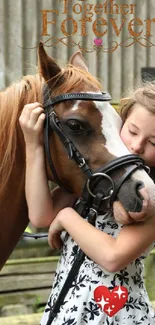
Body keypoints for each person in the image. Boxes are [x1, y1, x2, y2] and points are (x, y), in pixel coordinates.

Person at [19, 82, 155, 325]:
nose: (136, 146)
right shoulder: (96, 180)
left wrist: (67, 217)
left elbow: (113, 257)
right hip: (66, 312)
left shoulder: (149, 198)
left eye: (153, 142)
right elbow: (40, 216)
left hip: (118, 317)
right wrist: (33, 144)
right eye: (132, 132)